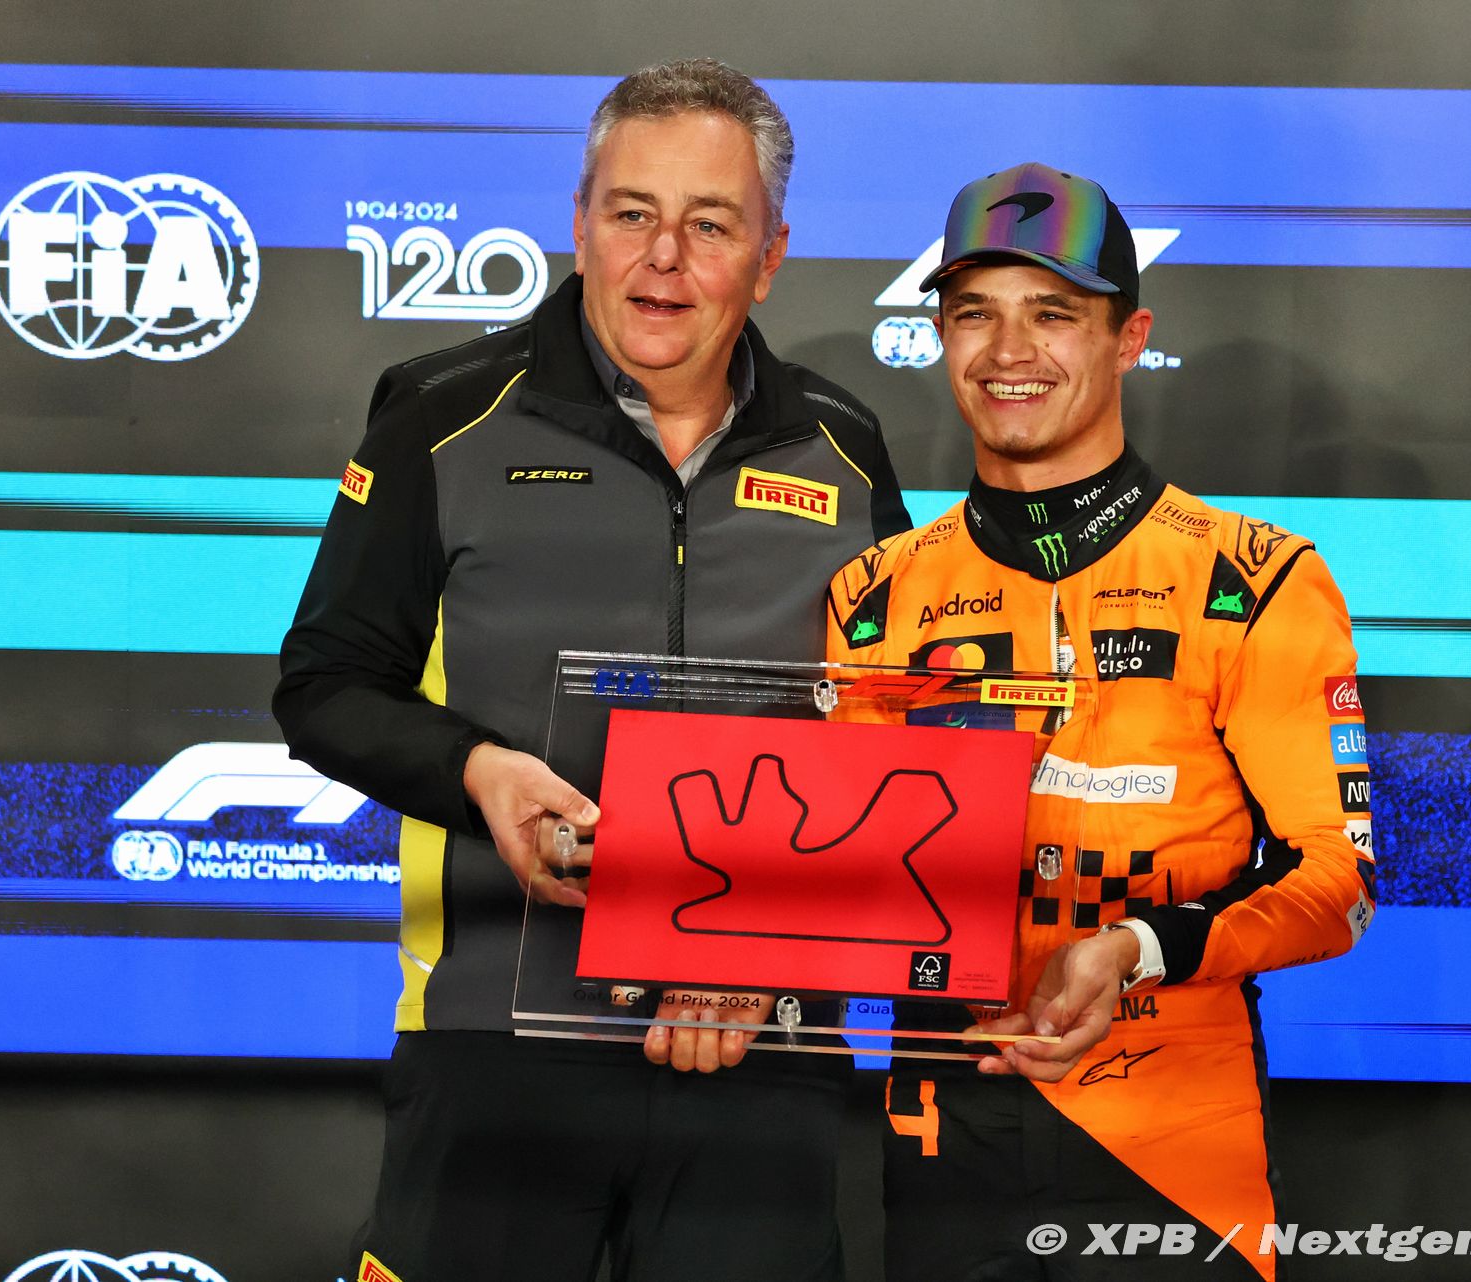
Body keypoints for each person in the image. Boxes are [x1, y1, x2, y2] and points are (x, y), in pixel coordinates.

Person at [275, 58, 908, 1282]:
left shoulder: (843, 447)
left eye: (710, 224)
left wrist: (773, 957)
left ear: (770, 255)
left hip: (760, 1045)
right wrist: (480, 772)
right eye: (631, 213)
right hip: (495, 1046)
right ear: (579, 225)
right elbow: (326, 685)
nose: (662, 258)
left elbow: (884, 738)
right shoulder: (439, 417)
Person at [825, 163, 1375, 1281]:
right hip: (942, 1131)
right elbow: (842, 874)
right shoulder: (873, 596)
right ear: (939, 336)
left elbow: (1339, 879)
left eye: (1053, 314)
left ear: (1130, 339)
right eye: (973, 313)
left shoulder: (1253, 577)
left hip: (1174, 1140)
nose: (1008, 350)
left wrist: (1136, 949)